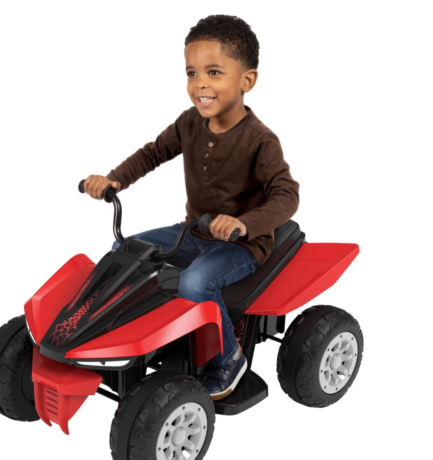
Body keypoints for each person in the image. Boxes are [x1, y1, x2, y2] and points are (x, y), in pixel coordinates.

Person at [83, 14, 299, 400]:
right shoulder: (189, 123)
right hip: (192, 231)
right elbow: (153, 153)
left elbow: (287, 195)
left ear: (247, 80)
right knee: (124, 251)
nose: (199, 83)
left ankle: (229, 359)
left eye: (214, 72)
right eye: (191, 73)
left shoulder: (260, 141)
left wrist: (244, 224)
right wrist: (114, 180)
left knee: (196, 282)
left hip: (242, 245)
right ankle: (131, 335)